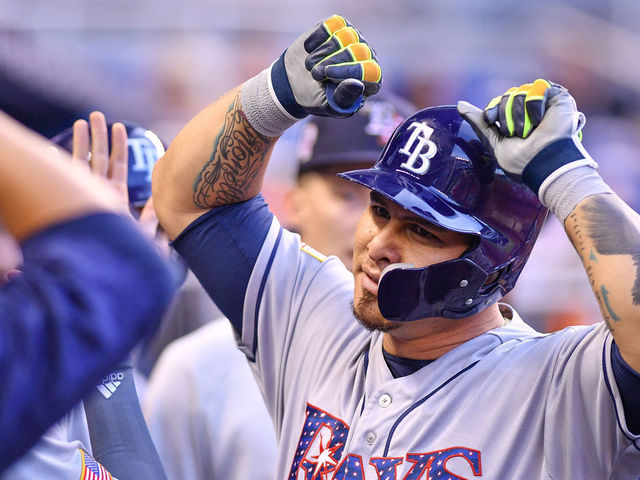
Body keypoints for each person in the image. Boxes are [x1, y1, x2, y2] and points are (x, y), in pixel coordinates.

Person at [152, 15, 640, 479]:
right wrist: (270, 97)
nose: (378, 243)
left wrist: (568, 177)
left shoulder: (561, 387)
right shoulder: (317, 317)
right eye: (380, 211)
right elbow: (190, 202)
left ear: (490, 262)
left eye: (423, 230)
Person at [143, 95, 411, 480]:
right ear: (294, 202)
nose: (374, 231)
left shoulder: (447, 368)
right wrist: (270, 97)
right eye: (352, 197)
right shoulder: (197, 368)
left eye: (399, 211)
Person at [0, 110, 175, 473]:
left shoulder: (149, 388)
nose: (153, 244)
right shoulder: (28, 362)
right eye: (122, 222)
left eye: (154, 222)